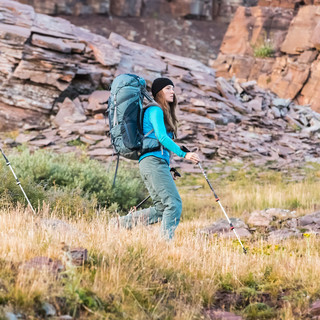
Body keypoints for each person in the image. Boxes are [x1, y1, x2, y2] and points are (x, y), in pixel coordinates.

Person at [113, 77, 200, 240]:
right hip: (152, 163)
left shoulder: (158, 111)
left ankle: (118, 224)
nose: (172, 91)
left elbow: (159, 145)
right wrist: (184, 154)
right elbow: (161, 138)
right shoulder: (155, 110)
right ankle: (165, 244)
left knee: (161, 209)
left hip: (152, 163)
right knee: (173, 204)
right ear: (159, 92)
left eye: (173, 88)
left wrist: (167, 169)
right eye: (168, 88)